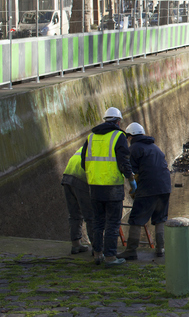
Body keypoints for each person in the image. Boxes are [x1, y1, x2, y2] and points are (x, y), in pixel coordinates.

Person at [81, 107, 136, 266]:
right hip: (112, 187)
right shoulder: (118, 136)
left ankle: (98, 254)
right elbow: (124, 162)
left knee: (98, 222)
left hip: (94, 187)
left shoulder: (90, 137)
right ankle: (111, 256)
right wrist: (131, 180)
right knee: (112, 223)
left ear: (105, 120)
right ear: (118, 122)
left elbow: (84, 163)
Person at [119, 122, 172, 260]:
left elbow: (131, 171)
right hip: (165, 187)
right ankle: (160, 249)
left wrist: (134, 188)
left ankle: (131, 250)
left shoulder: (134, 149)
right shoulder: (155, 147)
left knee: (136, 219)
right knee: (160, 218)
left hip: (148, 188)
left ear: (130, 136)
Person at [61, 147, 93, 255]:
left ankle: (76, 245)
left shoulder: (86, 146)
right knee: (90, 216)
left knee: (74, 214)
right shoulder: (104, 151)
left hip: (67, 178)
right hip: (80, 179)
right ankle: (97, 248)